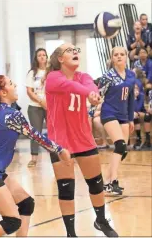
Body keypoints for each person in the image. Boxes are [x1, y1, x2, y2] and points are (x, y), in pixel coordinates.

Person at [0, 75, 71, 237]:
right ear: (3, 92)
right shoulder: (12, 115)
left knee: (26, 204)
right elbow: (36, 136)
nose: (16, 85)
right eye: (11, 83)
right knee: (12, 221)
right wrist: (60, 150)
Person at [45, 43, 118, 237]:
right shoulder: (53, 78)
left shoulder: (83, 76)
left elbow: (89, 85)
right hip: (60, 141)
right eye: (70, 50)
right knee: (66, 189)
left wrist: (93, 93)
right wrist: (89, 94)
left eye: (76, 49)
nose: (75, 52)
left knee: (96, 183)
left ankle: (101, 220)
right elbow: (71, 86)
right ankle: (71, 233)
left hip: (83, 138)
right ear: (60, 58)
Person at [98, 47, 135, 195]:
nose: (119, 57)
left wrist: (131, 119)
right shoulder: (107, 76)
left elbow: (131, 99)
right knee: (119, 145)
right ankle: (113, 181)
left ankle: (106, 181)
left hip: (124, 115)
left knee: (123, 150)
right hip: (109, 113)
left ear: (127, 57)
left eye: (122, 54)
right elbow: (97, 95)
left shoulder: (131, 75)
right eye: (116, 55)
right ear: (112, 58)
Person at [26, 48, 48, 166]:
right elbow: (29, 91)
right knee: (36, 133)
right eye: (39, 55)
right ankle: (34, 158)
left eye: (44, 55)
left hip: (50, 106)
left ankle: (57, 154)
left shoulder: (51, 72)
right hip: (35, 106)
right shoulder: (32, 73)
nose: (42, 57)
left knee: (54, 131)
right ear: (36, 58)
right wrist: (41, 101)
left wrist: (47, 103)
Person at [133, 84, 146, 149]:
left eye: (137, 88)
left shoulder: (141, 96)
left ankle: (139, 139)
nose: (136, 90)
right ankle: (127, 140)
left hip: (141, 112)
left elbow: (138, 108)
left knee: (135, 115)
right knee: (133, 115)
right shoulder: (127, 96)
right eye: (134, 89)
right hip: (131, 114)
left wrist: (135, 98)